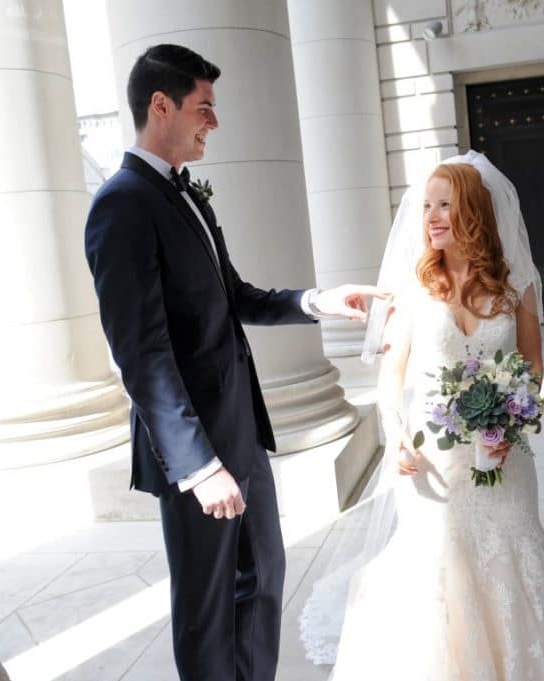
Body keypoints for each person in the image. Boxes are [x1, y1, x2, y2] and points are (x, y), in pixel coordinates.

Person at [84, 44, 386, 681]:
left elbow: (233, 296)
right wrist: (197, 467)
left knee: (264, 580)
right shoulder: (122, 206)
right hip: (196, 453)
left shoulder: (188, 196)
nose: (213, 123)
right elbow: (140, 355)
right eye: (205, 108)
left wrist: (316, 300)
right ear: (160, 106)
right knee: (207, 610)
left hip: (240, 432)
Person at [299, 151, 544, 680]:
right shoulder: (416, 288)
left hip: (503, 455)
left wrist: (515, 417)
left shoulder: (516, 288)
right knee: (439, 564)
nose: (432, 216)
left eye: (445, 204)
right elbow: (392, 373)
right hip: (433, 456)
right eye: (426, 206)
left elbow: (533, 362)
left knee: (512, 545)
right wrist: (395, 433)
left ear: (473, 211)